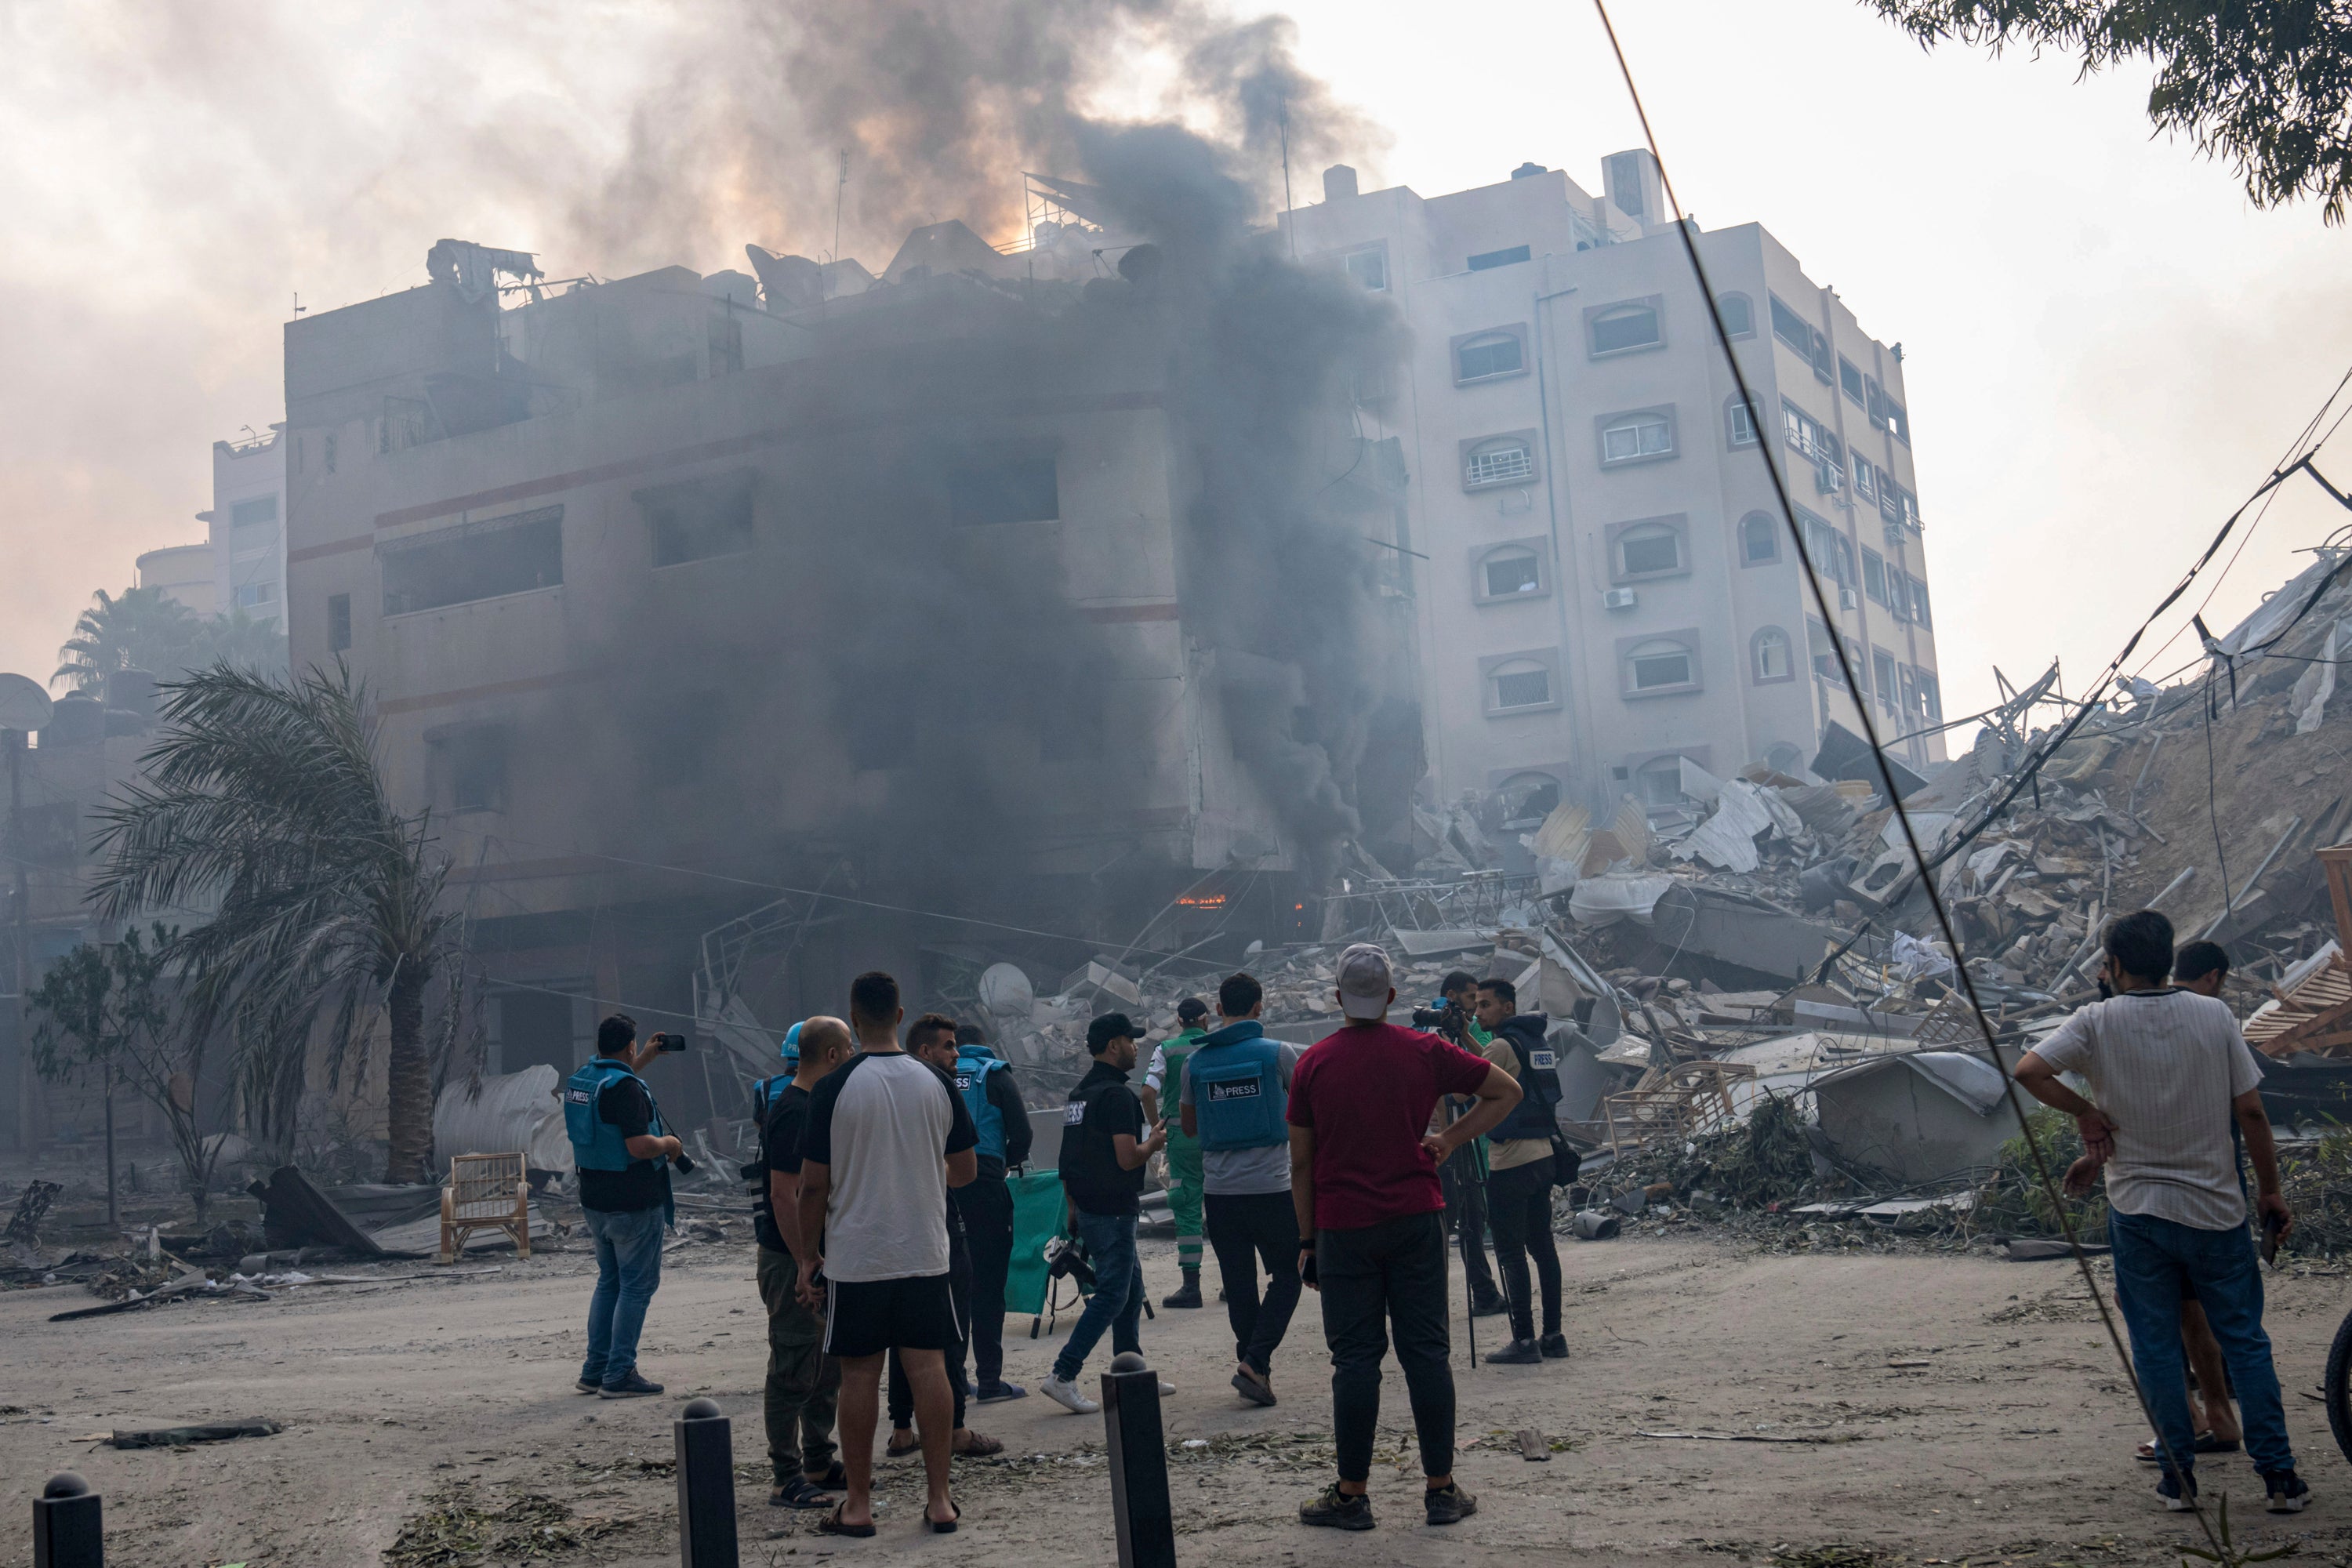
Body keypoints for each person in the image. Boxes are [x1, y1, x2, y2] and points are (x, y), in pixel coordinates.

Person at [2016, 910, 2309, 1515]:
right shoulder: (2214, 1016)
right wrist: (2269, 1191)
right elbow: (2252, 1114)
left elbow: (2029, 1071)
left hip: (2139, 1212)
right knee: (2246, 1342)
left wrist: (2084, 1113)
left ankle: (2179, 1478)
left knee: (2153, 1345)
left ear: (2116, 965)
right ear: (2169, 959)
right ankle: (2279, 1478)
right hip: (2217, 1210)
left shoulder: (2094, 1021)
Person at [1287, 943, 1522, 1531]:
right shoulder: (1426, 1051)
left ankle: (1351, 1497)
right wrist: (1453, 1139)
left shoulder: (1313, 1064)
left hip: (1342, 1229)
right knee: (1426, 1354)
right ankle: (1441, 1491)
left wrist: (1307, 1242)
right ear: (1391, 997)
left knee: (1356, 1361)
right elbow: (1506, 1093)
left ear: (1339, 998)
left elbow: (1299, 1164)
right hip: (1417, 1220)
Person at [795, 973, 980, 1537]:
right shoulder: (937, 1082)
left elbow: (813, 1187)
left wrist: (808, 1258)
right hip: (925, 1249)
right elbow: (966, 1171)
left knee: (858, 1376)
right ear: (901, 1015)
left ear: (854, 1018)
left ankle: (856, 1505)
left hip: (858, 1255)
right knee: (929, 1369)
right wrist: (919, 1179)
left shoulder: (832, 1087)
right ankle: (941, 1500)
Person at [882, 1014, 1006, 1461]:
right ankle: (955, 1429)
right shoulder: (939, 1089)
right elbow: (967, 1169)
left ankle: (900, 1429)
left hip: (889, 1229)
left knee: (901, 1330)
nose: (957, 1054)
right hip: (936, 1226)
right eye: (950, 1047)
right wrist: (932, 1184)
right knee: (949, 1329)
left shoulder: (878, 1088)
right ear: (925, 1051)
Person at [1180, 973, 1305, 1406]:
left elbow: (1191, 1127)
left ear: (1218, 1010)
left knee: (1239, 1283)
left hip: (1219, 1193)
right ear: (1259, 1008)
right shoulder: (1278, 1054)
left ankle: (1255, 1367)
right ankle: (1255, 1360)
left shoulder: (1195, 1064)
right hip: (1272, 1187)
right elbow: (1307, 1111)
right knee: (1289, 1274)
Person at [1038, 1012, 1171, 1414]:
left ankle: (1131, 1370)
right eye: (1130, 1041)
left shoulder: (1079, 1095)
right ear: (1114, 1046)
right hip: (1113, 1210)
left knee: (1130, 1291)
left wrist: (1074, 1210)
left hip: (1090, 1208)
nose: (1135, 1047)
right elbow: (1128, 1159)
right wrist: (1155, 1142)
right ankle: (1063, 1374)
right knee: (1114, 1293)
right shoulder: (1117, 1097)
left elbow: (1068, 1161)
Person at [753, 1016, 850, 1508]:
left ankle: (817, 1457)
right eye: (848, 1048)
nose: (853, 1057)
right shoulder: (792, 1108)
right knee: (791, 1365)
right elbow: (783, 1193)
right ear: (831, 1056)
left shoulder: (817, 1104)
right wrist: (804, 1262)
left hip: (819, 1254)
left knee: (826, 1364)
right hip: (790, 1256)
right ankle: (784, 1474)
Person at [565, 1013, 681, 1399]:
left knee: (610, 1281)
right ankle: (619, 1374)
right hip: (633, 1203)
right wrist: (670, 1145)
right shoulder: (627, 1090)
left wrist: (645, 1057)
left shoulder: (585, 1079)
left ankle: (594, 1370)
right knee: (636, 1286)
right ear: (629, 1046)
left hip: (594, 1200)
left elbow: (613, 1087)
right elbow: (639, 1146)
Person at [1470, 977, 1568, 1364]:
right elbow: (1491, 1066)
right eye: (1476, 1006)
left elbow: (1468, 1085)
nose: (1478, 1013)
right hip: (1544, 1156)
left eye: (1485, 1005)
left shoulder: (1500, 1045)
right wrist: (1465, 1037)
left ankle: (1524, 1341)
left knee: (1511, 1253)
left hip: (1510, 1160)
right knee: (1543, 1248)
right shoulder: (1533, 1042)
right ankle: (1554, 1336)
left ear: (1507, 1008)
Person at [952, 1021, 1035, 1400]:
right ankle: (989, 1381)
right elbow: (1022, 1135)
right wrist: (1004, 1161)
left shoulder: (937, 1076)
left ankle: (955, 1381)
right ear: (983, 1045)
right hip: (985, 1183)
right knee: (987, 1285)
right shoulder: (995, 1075)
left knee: (953, 1286)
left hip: (942, 1187)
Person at [1432, 971, 1504, 1318]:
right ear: (1451, 995)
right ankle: (1423, 1300)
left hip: (1460, 1141)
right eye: (1471, 997)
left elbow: (1484, 1070)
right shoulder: (1430, 1034)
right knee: (1441, 1224)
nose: (1475, 1007)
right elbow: (1456, 1091)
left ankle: (1485, 1293)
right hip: (1441, 1146)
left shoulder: (1465, 1031)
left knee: (1473, 1221)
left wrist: (1463, 1034)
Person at [1143, 997, 1211, 1308]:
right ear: (1205, 1020)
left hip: (1182, 1136)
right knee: (1223, 1204)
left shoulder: (1166, 1050)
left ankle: (1191, 1287)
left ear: (1180, 1022)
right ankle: (1235, 1282)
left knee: (1186, 1206)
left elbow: (1147, 1092)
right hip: (1216, 1135)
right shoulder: (1215, 1046)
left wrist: (1157, 1127)